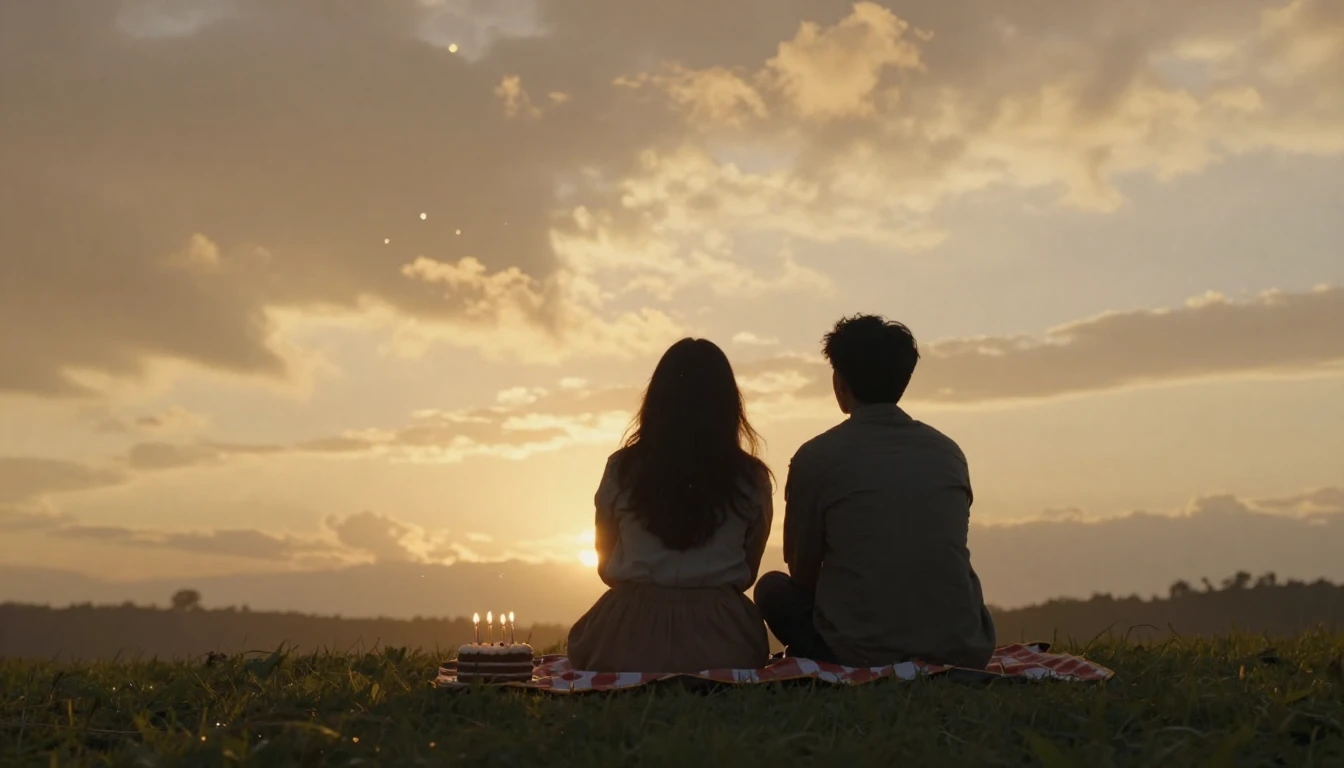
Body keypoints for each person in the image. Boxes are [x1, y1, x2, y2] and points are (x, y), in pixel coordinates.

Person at [754, 314, 996, 669]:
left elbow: (802, 573)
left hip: (859, 652)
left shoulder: (817, 457)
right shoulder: (947, 451)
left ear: (840, 382)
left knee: (772, 589)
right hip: (962, 646)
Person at [567, 338, 773, 672]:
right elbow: (748, 571)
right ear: (727, 406)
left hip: (625, 637)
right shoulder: (751, 478)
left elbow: (605, 566)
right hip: (722, 640)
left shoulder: (622, 469)